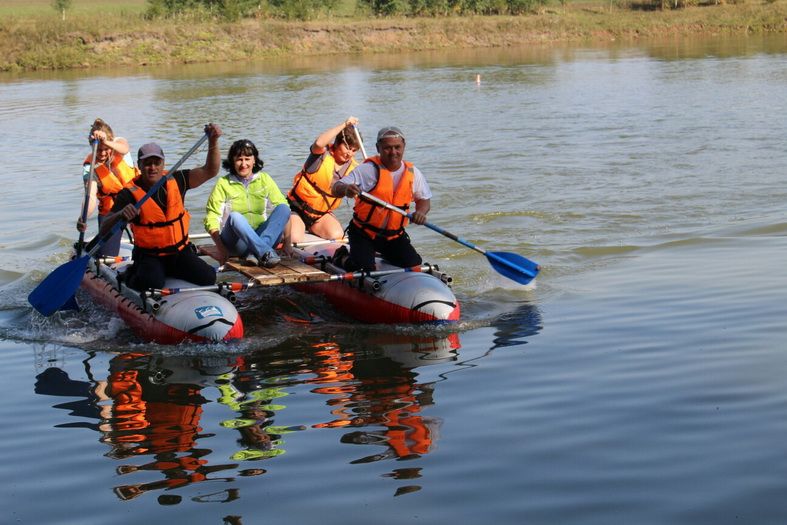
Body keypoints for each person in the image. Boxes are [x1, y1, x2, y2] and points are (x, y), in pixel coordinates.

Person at [98, 123, 223, 291]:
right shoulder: (128, 194)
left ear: (163, 163)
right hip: (150, 256)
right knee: (152, 284)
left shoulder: (178, 180)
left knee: (209, 277)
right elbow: (105, 227)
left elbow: (211, 171)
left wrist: (213, 140)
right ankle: (129, 273)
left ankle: (173, 271)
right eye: (147, 163)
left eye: (157, 162)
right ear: (139, 166)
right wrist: (120, 214)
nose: (152, 167)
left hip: (180, 252)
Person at [331, 126, 431, 271]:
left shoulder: (413, 173)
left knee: (415, 265)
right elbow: (336, 187)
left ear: (404, 147)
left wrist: (421, 212)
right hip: (363, 234)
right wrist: (346, 189)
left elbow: (424, 200)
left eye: (397, 147)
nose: (393, 152)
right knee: (363, 271)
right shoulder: (367, 170)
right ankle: (342, 257)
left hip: (394, 236)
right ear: (378, 148)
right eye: (387, 148)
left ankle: (385, 256)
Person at [204, 139, 290, 268]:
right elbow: (212, 218)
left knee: (284, 208)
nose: (243, 164)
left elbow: (284, 213)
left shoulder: (265, 179)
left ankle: (255, 253)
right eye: (239, 159)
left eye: (247, 159)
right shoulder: (223, 183)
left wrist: (287, 244)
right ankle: (264, 252)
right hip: (236, 243)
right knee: (235, 217)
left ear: (254, 160)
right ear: (232, 161)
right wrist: (221, 249)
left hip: (262, 237)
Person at [286, 117, 361, 247]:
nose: (350, 153)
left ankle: (311, 230)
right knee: (295, 237)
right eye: (347, 148)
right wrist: (344, 124)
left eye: (354, 150)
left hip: (320, 215)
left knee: (337, 234)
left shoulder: (355, 169)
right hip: (297, 208)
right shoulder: (321, 154)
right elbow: (319, 143)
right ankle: (290, 228)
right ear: (338, 143)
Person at [76, 118, 137, 256]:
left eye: (106, 149)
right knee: (107, 255)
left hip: (136, 202)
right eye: (98, 150)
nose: (102, 153)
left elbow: (125, 148)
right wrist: (83, 217)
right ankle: (94, 248)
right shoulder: (89, 168)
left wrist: (105, 142)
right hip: (111, 211)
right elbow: (91, 196)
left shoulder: (119, 145)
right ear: (92, 146)